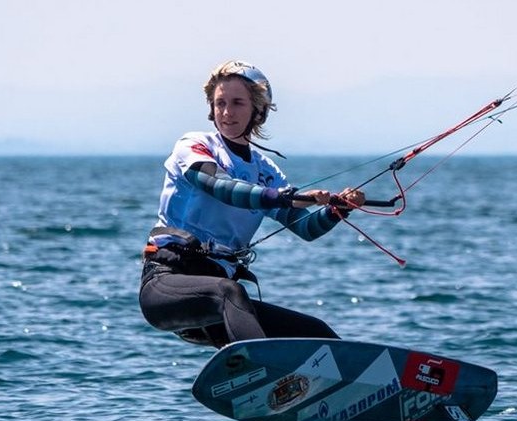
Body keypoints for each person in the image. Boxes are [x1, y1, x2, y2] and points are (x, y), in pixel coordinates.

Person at [139, 60, 365, 348]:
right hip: (168, 283)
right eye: (219, 103)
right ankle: (259, 370)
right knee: (229, 292)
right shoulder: (195, 145)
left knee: (316, 332)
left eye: (237, 103)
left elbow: (305, 227)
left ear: (258, 111)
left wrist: (338, 210)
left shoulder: (266, 171)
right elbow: (221, 187)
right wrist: (282, 195)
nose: (226, 112)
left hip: (220, 302)